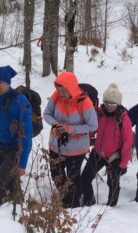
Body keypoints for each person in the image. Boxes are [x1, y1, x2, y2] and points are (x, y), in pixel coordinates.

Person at [42, 71, 98, 208]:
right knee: (56, 175)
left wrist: (71, 129)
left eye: (63, 91)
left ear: (71, 88)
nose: (60, 93)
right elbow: (46, 114)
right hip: (56, 145)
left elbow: (93, 125)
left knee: (73, 179)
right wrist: (56, 124)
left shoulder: (85, 102)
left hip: (76, 149)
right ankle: (66, 200)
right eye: (58, 90)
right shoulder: (56, 96)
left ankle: (71, 206)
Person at [78, 83, 133, 207]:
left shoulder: (123, 119)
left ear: (118, 104)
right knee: (85, 179)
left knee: (113, 184)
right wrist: (86, 139)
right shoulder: (100, 114)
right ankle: (89, 203)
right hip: (98, 152)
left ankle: (111, 207)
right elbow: (92, 128)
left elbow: (127, 142)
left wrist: (123, 163)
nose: (109, 107)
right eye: (106, 103)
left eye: (112, 104)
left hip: (115, 156)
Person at [0, 65, 33, 208]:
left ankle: (1, 220)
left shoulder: (20, 101)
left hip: (16, 150)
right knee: (11, 183)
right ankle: (19, 212)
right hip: (2, 148)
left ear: (8, 83)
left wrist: (22, 162)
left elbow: (27, 134)